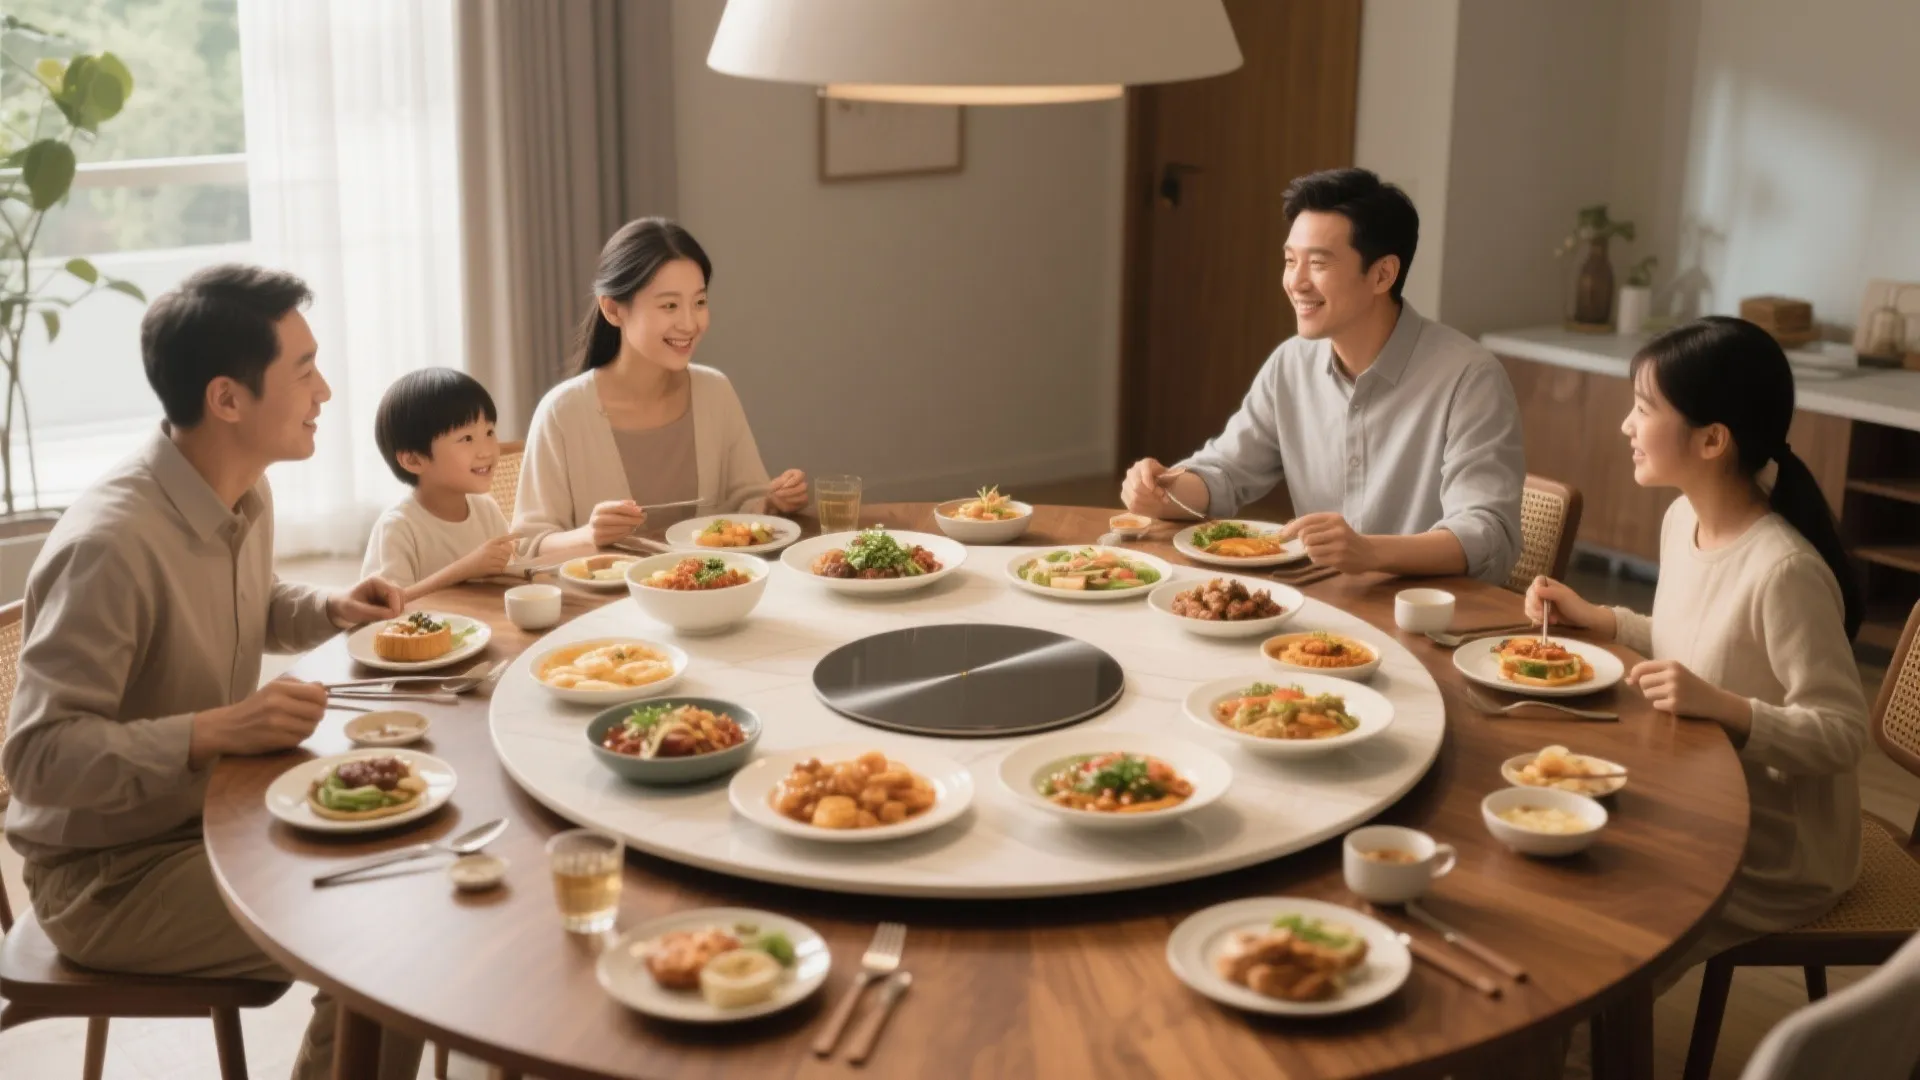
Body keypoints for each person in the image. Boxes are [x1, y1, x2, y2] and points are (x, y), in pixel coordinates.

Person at [1, 264, 424, 1079]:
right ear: (227, 399)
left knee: (413, 851)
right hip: (107, 880)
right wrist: (213, 731)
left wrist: (330, 608)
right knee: (388, 934)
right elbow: (38, 759)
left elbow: (251, 600)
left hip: (210, 819)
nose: (326, 392)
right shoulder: (110, 544)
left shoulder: (239, 492)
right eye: (303, 372)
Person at [1528, 316, 1867, 974]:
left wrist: (1727, 709)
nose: (1627, 425)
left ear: (1712, 439)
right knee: (1549, 866)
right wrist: (1602, 620)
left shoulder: (1784, 572)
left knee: (1591, 927)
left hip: (1775, 850)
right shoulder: (1683, 517)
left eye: (1643, 408)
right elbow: (1702, 646)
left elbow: (1842, 732)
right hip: (1696, 794)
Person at [1120, 167, 1525, 584]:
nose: (1296, 282)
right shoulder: (1291, 363)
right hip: (1325, 611)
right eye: (1290, 260)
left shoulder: (1469, 377)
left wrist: (1369, 551)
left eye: (1317, 263)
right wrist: (1161, 490)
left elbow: (1486, 534)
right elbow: (1226, 472)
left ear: (1383, 274)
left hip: (1431, 618)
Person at [513, 217, 809, 553]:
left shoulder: (715, 392)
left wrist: (773, 502)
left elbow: (746, 506)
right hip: (606, 604)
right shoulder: (563, 412)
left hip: (710, 596)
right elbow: (525, 546)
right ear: (612, 310)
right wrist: (590, 535)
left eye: (699, 302)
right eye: (669, 305)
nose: (689, 323)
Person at [364, 366, 521, 598]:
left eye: (489, 432)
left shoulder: (486, 509)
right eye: (466, 438)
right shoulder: (399, 527)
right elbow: (390, 606)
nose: (487, 450)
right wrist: (467, 568)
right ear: (414, 460)